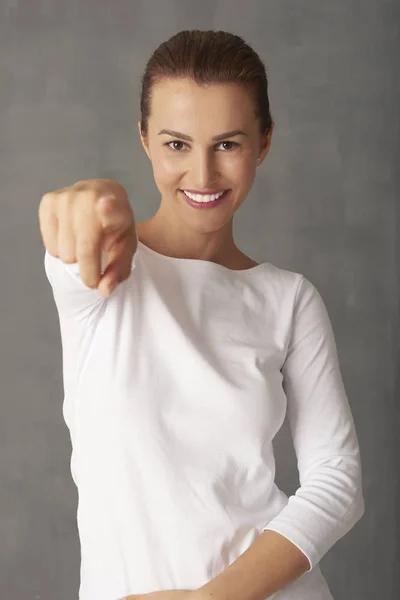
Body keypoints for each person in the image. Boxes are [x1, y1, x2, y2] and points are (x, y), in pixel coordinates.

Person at [39, 29, 365, 600]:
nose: (203, 175)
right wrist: (95, 200)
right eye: (176, 145)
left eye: (228, 144)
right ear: (143, 138)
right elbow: (82, 221)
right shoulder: (103, 272)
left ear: (264, 142)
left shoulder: (288, 299)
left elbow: (337, 481)